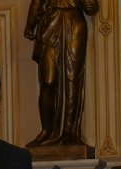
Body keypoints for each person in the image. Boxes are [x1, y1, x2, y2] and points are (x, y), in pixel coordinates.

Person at [24, 0, 100, 147]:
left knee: (72, 78)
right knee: (48, 81)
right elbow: (37, 2)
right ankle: (47, 131)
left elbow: (92, 8)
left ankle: (69, 132)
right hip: (51, 22)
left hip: (75, 23)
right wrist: (31, 24)